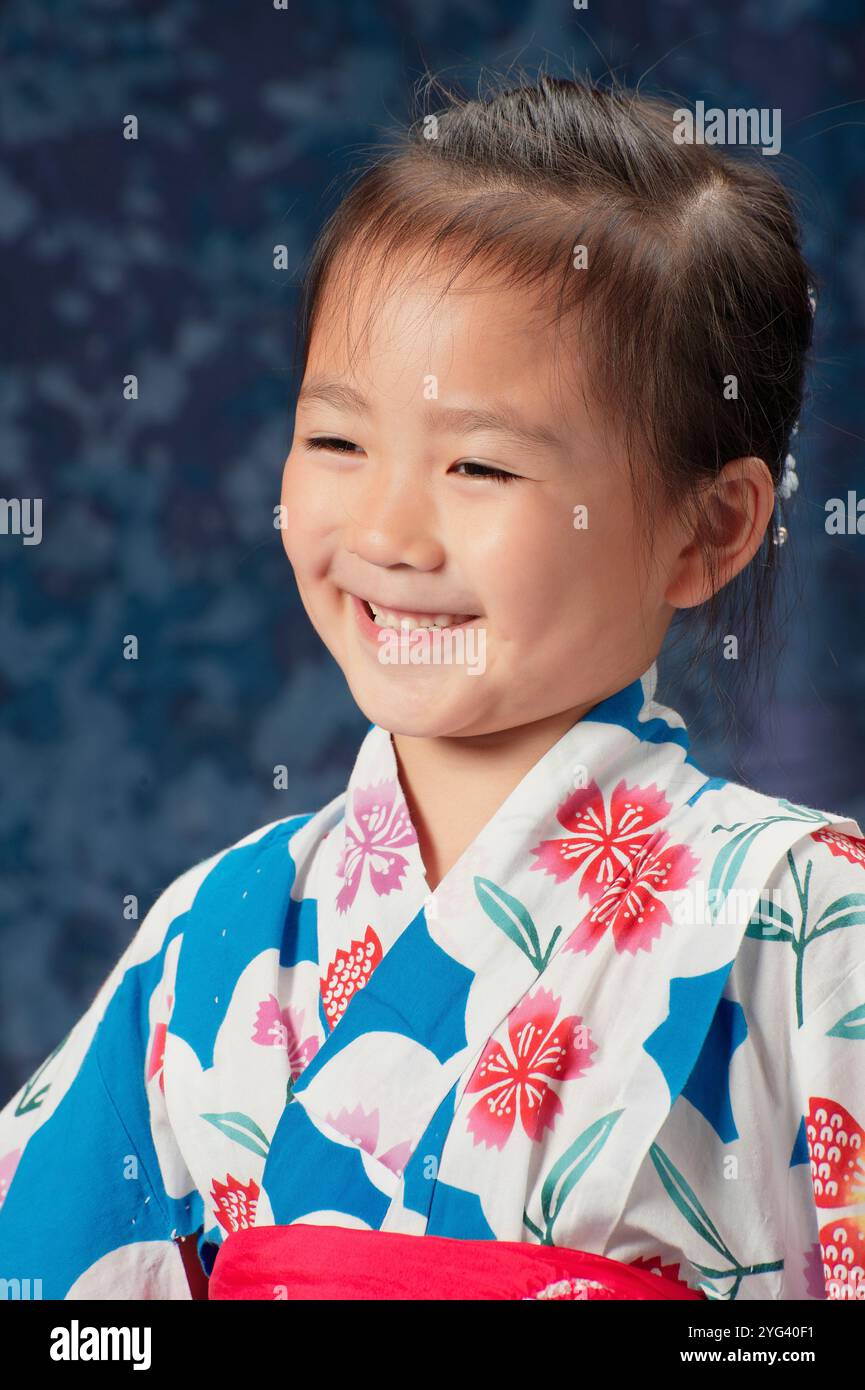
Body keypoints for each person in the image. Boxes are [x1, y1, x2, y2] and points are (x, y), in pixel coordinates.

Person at [2, 72, 863, 1302]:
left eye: (478, 464)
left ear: (708, 529)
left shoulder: (804, 922)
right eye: (338, 441)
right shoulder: (215, 936)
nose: (390, 532)